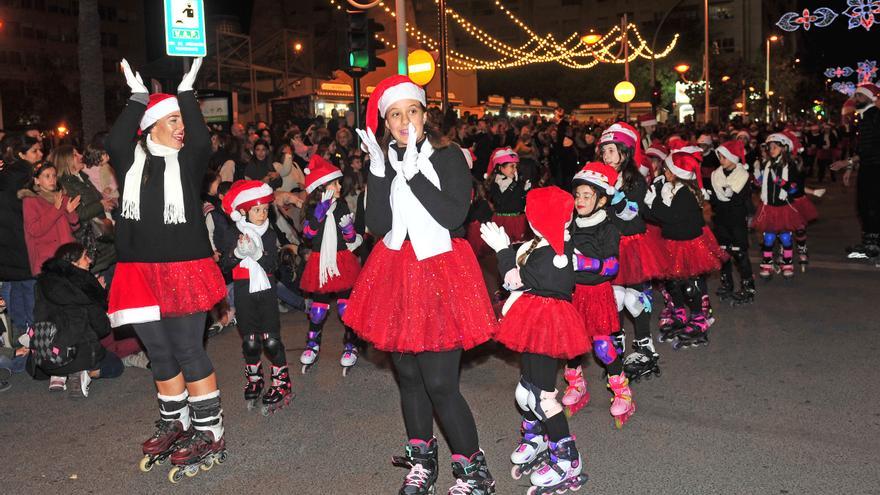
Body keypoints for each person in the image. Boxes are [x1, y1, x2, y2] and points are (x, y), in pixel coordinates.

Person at [347, 75, 497, 495]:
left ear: (425, 114)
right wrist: (379, 172)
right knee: (409, 376)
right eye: (394, 114)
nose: (403, 120)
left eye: (411, 110)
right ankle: (422, 462)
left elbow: (453, 217)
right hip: (396, 271)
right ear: (386, 121)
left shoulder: (449, 157)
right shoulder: (386, 159)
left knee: (440, 383)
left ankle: (473, 471)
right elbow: (378, 225)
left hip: (441, 272)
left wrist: (413, 174)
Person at [106, 58, 227, 478]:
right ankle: (176, 422)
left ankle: (210, 430)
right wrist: (138, 97)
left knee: (189, 350)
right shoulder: (129, 161)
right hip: (137, 272)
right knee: (158, 352)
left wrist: (187, 94)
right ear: (151, 124)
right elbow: (116, 138)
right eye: (172, 119)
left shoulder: (189, 161)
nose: (180, 127)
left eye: (181, 120)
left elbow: (202, 144)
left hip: (183, 269)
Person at [480, 186, 589, 494]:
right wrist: (511, 248)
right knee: (526, 390)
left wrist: (502, 251)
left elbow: (514, 280)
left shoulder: (555, 254)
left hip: (547, 326)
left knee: (543, 398)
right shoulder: (547, 243)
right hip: (535, 320)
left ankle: (568, 459)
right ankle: (538, 437)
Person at [594, 123, 666, 382]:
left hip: (632, 244)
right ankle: (617, 347)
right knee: (612, 298)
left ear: (625, 152)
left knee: (635, 299)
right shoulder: (599, 177)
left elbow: (633, 214)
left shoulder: (635, 180)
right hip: (608, 244)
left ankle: (645, 344)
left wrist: (615, 196)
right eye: (604, 150)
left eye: (612, 150)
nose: (607, 155)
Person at [220, 180, 292, 415]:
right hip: (243, 289)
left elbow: (273, 265)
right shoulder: (233, 232)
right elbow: (224, 264)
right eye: (256, 210)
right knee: (250, 340)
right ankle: (255, 377)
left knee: (271, 340)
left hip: (266, 289)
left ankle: (282, 382)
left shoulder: (269, 234)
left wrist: (258, 254)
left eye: (264, 209)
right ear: (243, 211)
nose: (262, 214)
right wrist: (238, 253)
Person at [646, 144, 724, 349]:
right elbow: (658, 216)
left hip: (688, 244)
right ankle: (679, 312)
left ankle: (699, 318)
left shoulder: (685, 194)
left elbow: (668, 216)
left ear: (676, 173)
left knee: (690, 285)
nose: (664, 172)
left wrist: (652, 202)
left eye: (667, 169)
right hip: (671, 242)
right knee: (672, 282)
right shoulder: (670, 188)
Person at [27, 243, 124, 397]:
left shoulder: (41, 284)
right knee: (115, 366)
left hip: (45, 356)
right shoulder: (83, 285)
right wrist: (97, 293)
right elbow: (102, 328)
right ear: (73, 263)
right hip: (76, 353)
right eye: (85, 256)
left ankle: (60, 375)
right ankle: (82, 373)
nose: (90, 261)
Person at [298, 154, 363, 375]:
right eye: (334, 183)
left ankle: (351, 344)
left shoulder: (342, 205)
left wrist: (349, 230)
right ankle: (313, 344)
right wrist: (319, 213)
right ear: (321, 188)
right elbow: (308, 234)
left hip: (342, 259)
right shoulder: (313, 208)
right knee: (318, 309)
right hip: (320, 262)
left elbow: (351, 239)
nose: (338, 186)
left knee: (346, 308)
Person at [0, 135, 44, 346]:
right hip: (23, 239)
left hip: (8, 241)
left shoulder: (6, 175)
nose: (41, 154)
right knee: (29, 288)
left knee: (16, 287)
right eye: (35, 151)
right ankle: (35, 334)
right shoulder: (28, 176)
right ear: (21, 154)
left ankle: (21, 333)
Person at [831, 84, 880, 258]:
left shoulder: (873, 116)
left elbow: (870, 149)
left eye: (859, 96)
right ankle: (871, 242)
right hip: (869, 167)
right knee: (865, 206)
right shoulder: (867, 117)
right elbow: (862, 149)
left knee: (870, 206)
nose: (855, 99)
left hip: (874, 169)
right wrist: (850, 168)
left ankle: (872, 245)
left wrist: (847, 162)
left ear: (869, 97)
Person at [752, 132, 806, 280]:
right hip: (769, 206)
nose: (771, 149)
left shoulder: (790, 165)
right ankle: (767, 263)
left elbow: (795, 188)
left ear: (784, 148)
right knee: (768, 238)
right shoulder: (767, 164)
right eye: (770, 147)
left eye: (775, 146)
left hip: (784, 206)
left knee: (785, 238)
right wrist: (757, 180)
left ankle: (787, 263)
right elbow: (761, 182)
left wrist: (781, 182)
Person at [709, 141, 756, 305]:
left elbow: (738, 200)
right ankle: (727, 284)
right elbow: (715, 200)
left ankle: (748, 287)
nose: (721, 159)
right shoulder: (716, 175)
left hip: (736, 221)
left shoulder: (742, 177)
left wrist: (720, 197)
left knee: (740, 254)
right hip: (721, 220)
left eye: (724, 156)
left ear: (732, 158)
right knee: (724, 254)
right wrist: (718, 197)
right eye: (719, 156)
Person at [19, 161, 81, 277]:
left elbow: (75, 226)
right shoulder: (31, 200)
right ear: (37, 180)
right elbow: (34, 230)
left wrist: (70, 212)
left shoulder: (62, 197)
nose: (52, 179)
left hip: (68, 256)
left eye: (54, 176)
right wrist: (56, 210)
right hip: (48, 260)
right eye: (47, 176)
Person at [486, 147, 531, 243]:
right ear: (500, 167)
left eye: (516, 166)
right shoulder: (495, 184)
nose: (515, 170)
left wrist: (526, 191)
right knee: (505, 244)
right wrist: (513, 185)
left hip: (518, 219)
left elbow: (519, 200)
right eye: (512, 166)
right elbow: (501, 201)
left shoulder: (516, 181)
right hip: (504, 220)